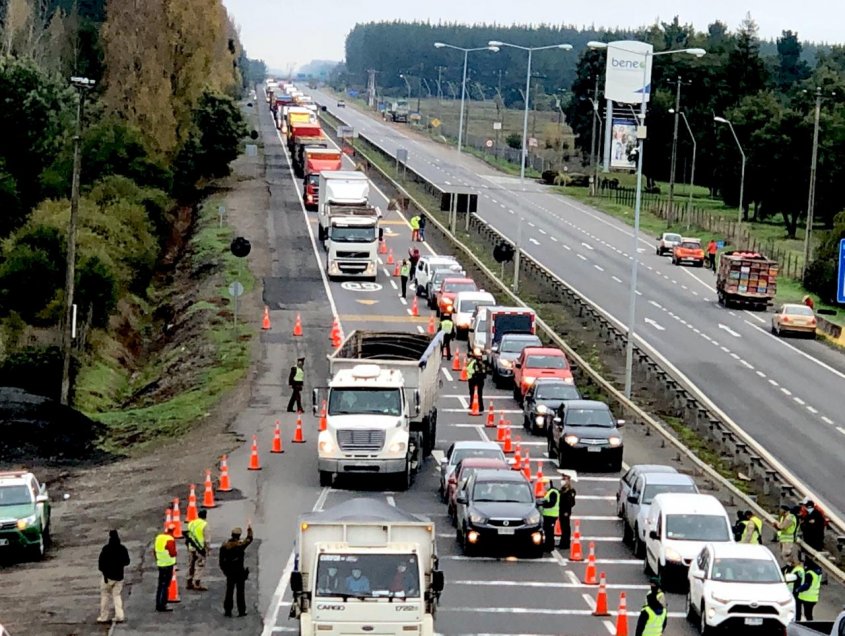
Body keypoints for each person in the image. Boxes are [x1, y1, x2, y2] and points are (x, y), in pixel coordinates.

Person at [219, 525, 253, 617]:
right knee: (240, 592)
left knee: (229, 591)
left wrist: (225, 571)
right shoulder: (240, 545)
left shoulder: (224, 546)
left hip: (229, 572)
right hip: (239, 572)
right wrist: (249, 529)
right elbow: (249, 539)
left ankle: (228, 610)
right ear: (239, 535)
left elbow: (221, 562)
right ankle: (241, 611)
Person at [97, 529, 130, 623]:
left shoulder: (106, 549)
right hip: (119, 576)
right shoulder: (122, 548)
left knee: (105, 596)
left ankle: (104, 616)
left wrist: (104, 572)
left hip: (107, 577)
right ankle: (119, 615)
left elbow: (101, 563)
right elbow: (127, 562)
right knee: (116, 595)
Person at [153, 524, 177, 612]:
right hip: (168, 564)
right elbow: (172, 553)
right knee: (165, 585)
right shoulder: (170, 539)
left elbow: (154, 550)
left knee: (160, 585)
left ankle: (158, 603)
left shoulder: (159, 537)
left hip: (160, 564)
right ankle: (162, 604)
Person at [186, 509, 210, 591]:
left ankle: (189, 581)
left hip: (191, 547)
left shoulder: (191, 523)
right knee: (200, 565)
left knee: (191, 564)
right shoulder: (204, 524)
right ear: (205, 516)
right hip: (200, 548)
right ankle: (197, 582)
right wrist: (208, 549)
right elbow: (207, 539)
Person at [540, 479, 560, 552]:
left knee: (549, 532)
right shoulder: (549, 492)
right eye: (543, 484)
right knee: (547, 531)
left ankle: (549, 547)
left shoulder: (553, 492)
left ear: (549, 483)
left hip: (551, 516)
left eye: (545, 484)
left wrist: (543, 504)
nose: (544, 486)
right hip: (548, 515)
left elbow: (552, 503)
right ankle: (548, 545)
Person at [466, 348, 487, 412]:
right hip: (479, 378)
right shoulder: (481, 361)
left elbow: (469, 368)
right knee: (478, 393)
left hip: (473, 378)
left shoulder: (473, 361)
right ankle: (480, 407)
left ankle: (476, 406)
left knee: (474, 393)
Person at [558, 474, 577, 550]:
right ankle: (563, 542)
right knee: (563, 527)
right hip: (561, 510)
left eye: (564, 479)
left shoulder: (570, 491)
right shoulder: (563, 489)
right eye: (562, 478)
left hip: (565, 512)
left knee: (566, 527)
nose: (562, 480)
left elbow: (571, 503)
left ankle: (565, 543)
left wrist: (566, 511)